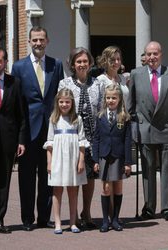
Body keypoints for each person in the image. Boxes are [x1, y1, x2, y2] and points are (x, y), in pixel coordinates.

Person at [11, 26, 64, 231]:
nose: (38, 43)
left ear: (47, 41)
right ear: (29, 41)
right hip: (27, 130)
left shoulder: (56, 65)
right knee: (26, 177)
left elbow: (61, 96)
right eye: (34, 40)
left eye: (41, 40)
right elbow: (17, 102)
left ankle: (44, 217)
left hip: (50, 129)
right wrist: (19, 137)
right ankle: (27, 219)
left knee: (48, 175)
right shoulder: (19, 67)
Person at [128, 41, 168, 221]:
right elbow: (131, 104)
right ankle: (149, 207)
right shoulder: (136, 74)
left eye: (155, 54)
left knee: (167, 169)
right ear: (145, 56)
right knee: (147, 169)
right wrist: (133, 127)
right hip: (145, 128)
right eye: (149, 54)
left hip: (167, 126)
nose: (152, 57)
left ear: (161, 55)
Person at [58, 47, 102, 229]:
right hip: (72, 137)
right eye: (78, 62)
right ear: (72, 64)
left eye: (85, 61)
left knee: (90, 176)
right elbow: (61, 108)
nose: (82, 64)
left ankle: (87, 212)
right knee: (74, 176)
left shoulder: (97, 83)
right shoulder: (64, 83)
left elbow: (101, 108)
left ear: (90, 63)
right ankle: (73, 214)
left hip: (92, 137)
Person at [43, 88, 88, 234]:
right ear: (57, 102)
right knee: (57, 190)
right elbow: (49, 142)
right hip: (57, 159)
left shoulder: (77, 119)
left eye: (67, 102)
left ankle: (73, 222)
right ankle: (57, 223)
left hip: (73, 158)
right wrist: (49, 162)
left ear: (72, 103)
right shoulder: (53, 119)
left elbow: (82, 142)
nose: (64, 105)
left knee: (73, 190)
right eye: (61, 102)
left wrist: (81, 160)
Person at [93, 84, 132, 232]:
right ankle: (105, 221)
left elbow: (128, 141)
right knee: (106, 188)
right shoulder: (100, 116)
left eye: (114, 98)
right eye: (108, 97)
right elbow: (96, 139)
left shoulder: (124, 117)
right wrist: (96, 160)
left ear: (119, 99)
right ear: (105, 99)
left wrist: (128, 162)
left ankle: (115, 219)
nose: (111, 100)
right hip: (104, 156)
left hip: (119, 156)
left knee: (118, 188)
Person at [0, 48, 26, 234]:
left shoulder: (14, 83)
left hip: (7, 140)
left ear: (6, 62)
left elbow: (21, 115)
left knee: (3, 181)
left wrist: (21, 141)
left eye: (0, 60)